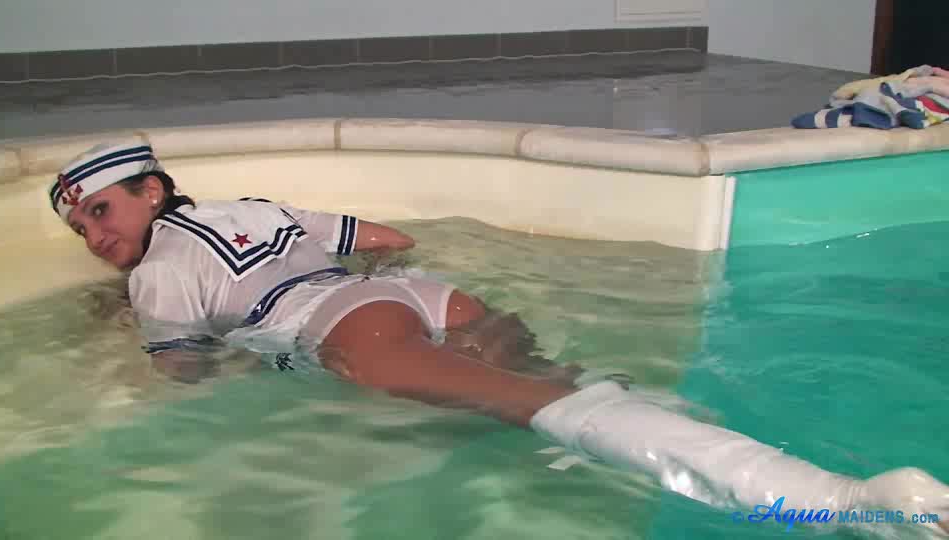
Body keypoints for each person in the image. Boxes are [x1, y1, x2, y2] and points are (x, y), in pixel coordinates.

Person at [53, 141, 948, 535]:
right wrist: (386, 303)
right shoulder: (254, 206)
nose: (94, 235)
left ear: (153, 190)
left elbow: (184, 377)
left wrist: (134, 326)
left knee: (543, 411)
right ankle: (799, 476)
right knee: (573, 394)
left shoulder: (157, 273)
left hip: (345, 327)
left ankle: (840, 501)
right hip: (425, 298)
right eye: (80, 228)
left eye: (100, 211)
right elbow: (389, 241)